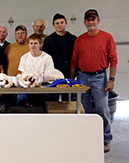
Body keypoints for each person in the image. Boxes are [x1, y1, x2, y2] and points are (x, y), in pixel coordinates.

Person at [70, 9, 118, 153]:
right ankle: (87, 137)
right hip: (82, 77)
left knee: (102, 110)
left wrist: (111, 79)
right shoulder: (80, 40)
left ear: (98, 21)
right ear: (85, 22)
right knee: (84, 110)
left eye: (93, 19)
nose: (91, 22)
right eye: (88, 20)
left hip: (100, 78)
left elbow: (113, 59)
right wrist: (72, 80)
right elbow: (74, 61)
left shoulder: (107, 37)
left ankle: (105, 139)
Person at [43, 13, 77, 101]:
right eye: (57, 23)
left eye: (61, 22)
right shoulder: (48, 40)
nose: (59, 25)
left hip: (69, 76)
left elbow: (76, 58)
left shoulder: (73, 39)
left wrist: (73, 75)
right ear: (53, 25)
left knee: (68, 101)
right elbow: (44, 59)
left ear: (66, 23)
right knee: (52, 102)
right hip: (53, 77)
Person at [17, 34, 54, 108]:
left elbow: (49, 75)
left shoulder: (47, 58)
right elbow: (23, 75)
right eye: (31, 43)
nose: (33, 45)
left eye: (35, 43)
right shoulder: (24, 57)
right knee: (20, 102)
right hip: (27, 88)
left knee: (45, 105)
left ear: (40, 44)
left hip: (42, 87)